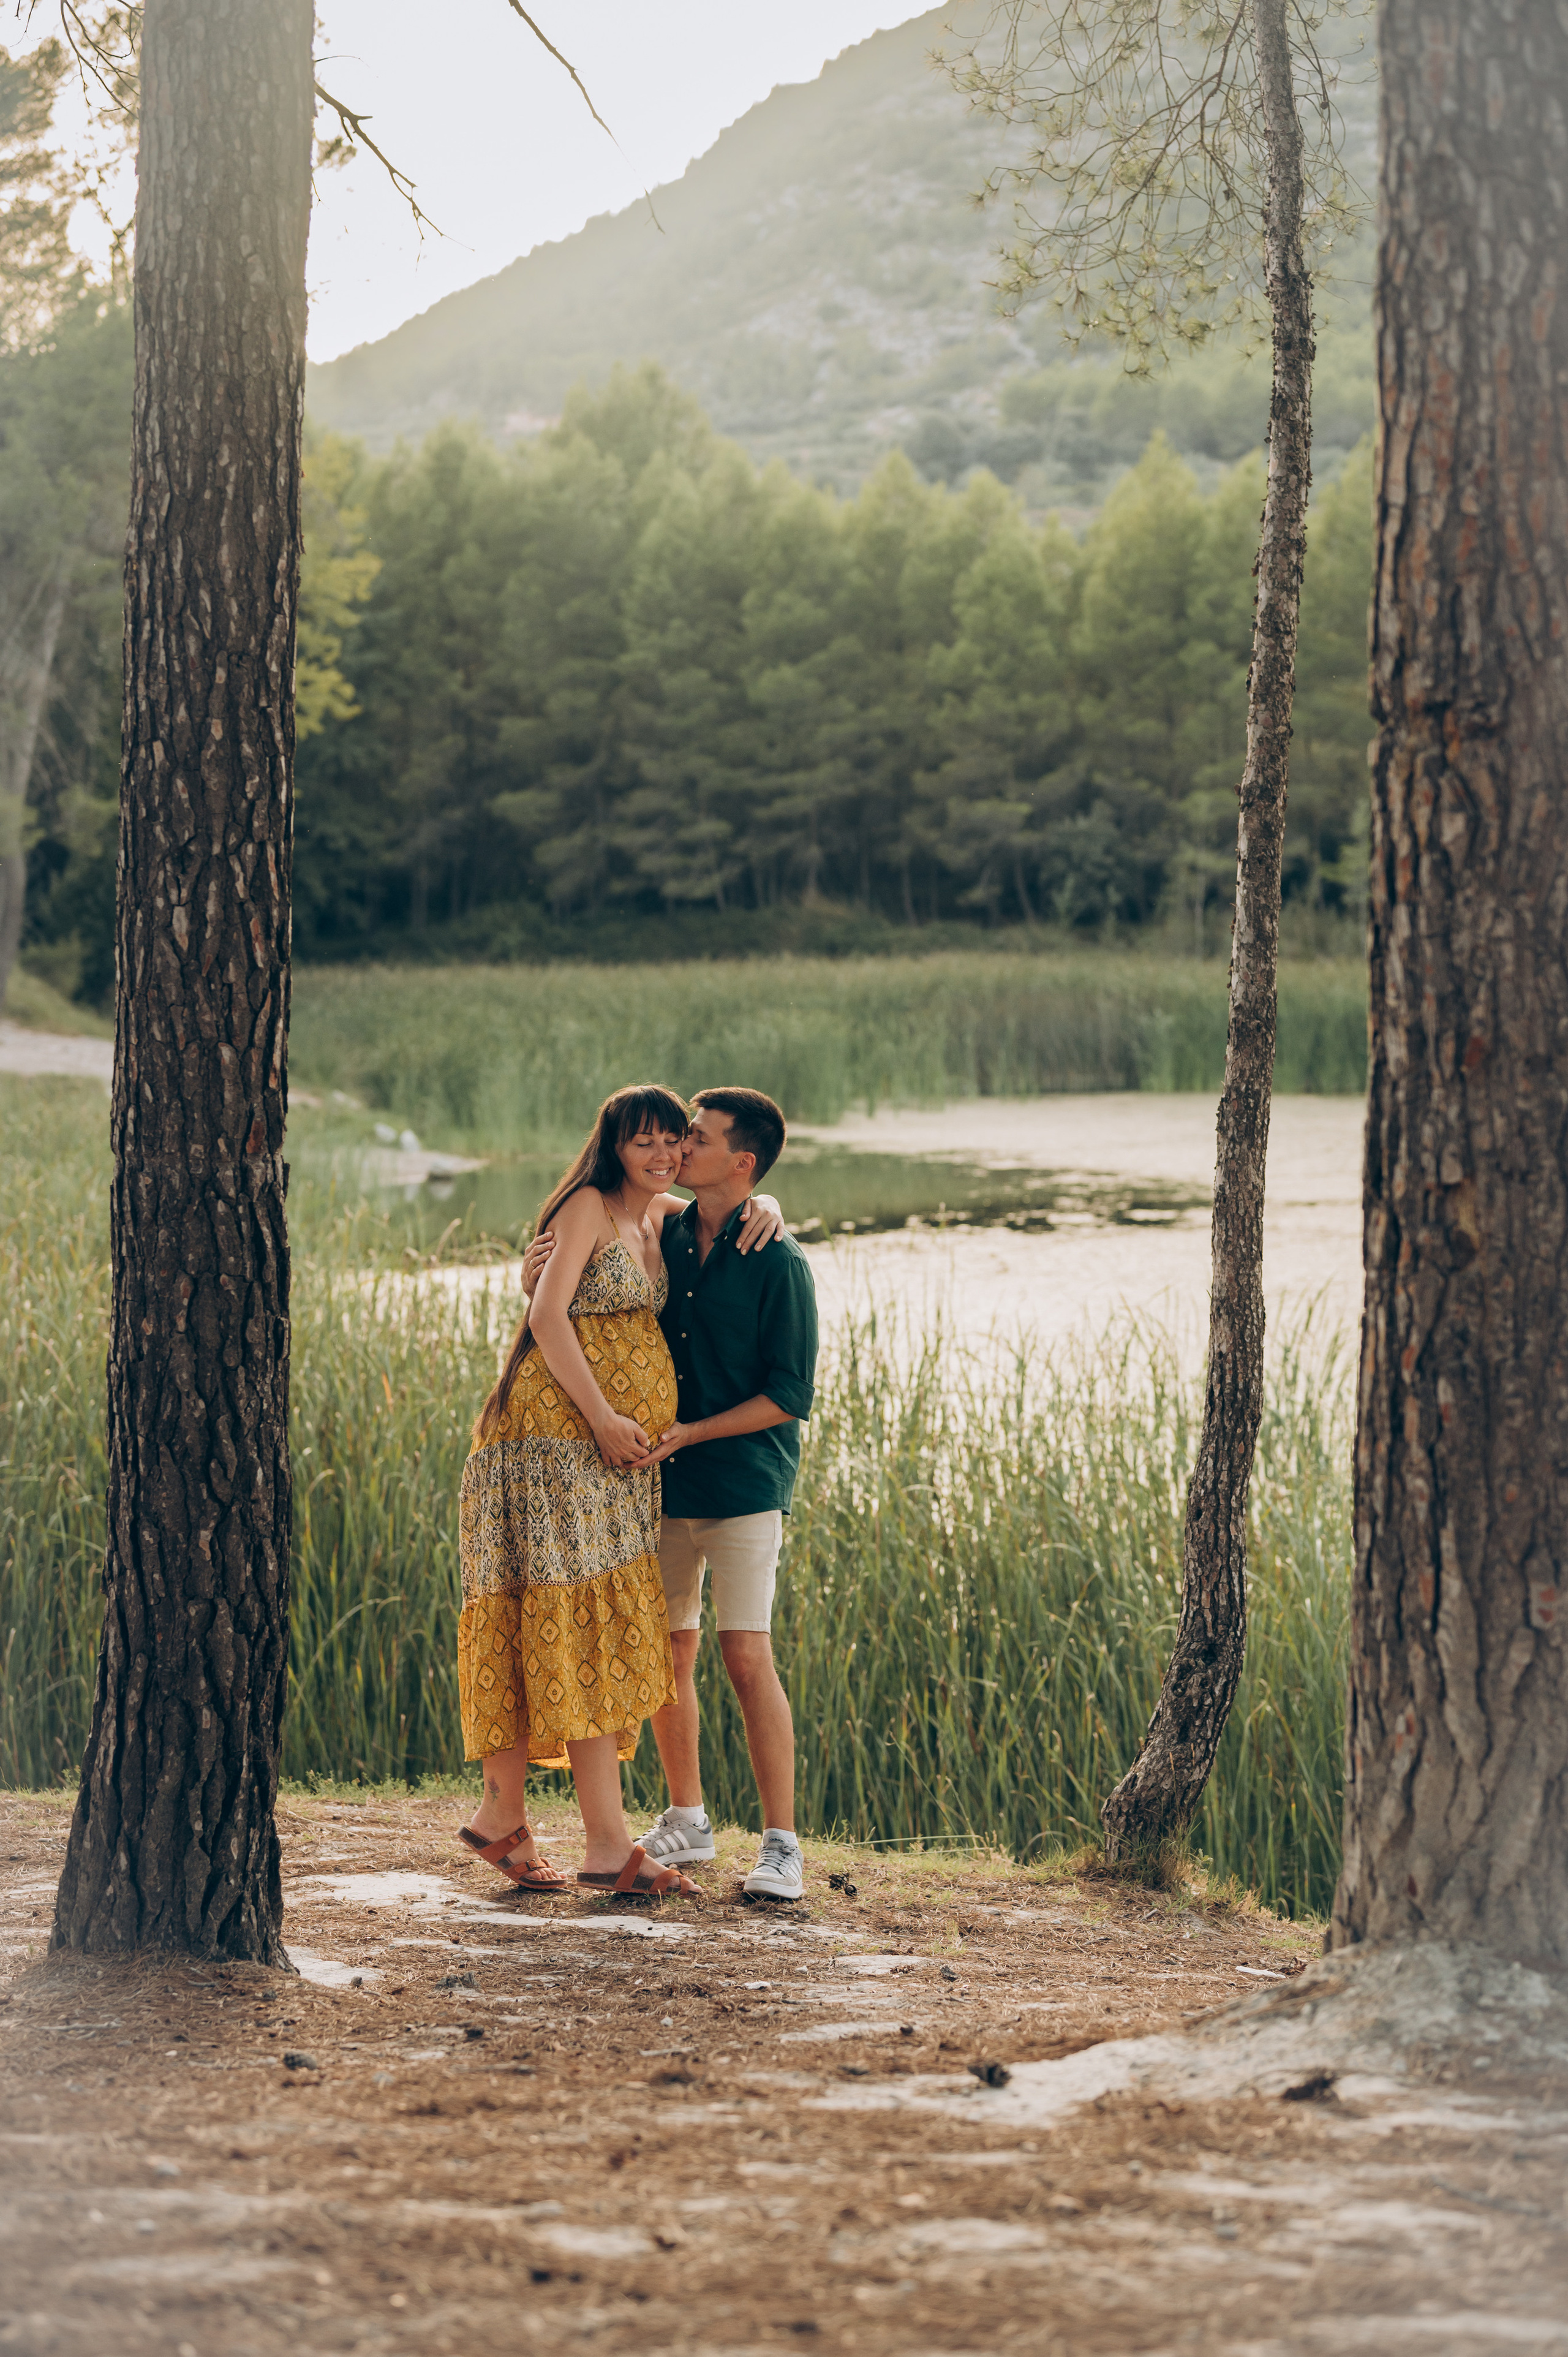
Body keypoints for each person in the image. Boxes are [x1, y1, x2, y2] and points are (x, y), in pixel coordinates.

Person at [458, 1084, 785, 1901]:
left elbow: (729, 1201)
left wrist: (769, 1201)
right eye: (644, 1142)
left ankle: (561, 1830)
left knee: (584, 1624)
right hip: (553, 1442)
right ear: (613, 1146)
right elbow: (548, 1317)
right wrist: (603, 1417)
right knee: (547, 1614)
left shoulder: (660, 1217)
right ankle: (560, 1829)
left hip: (608, 1463)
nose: (663, 1154)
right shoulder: (589, 1208)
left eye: (673, 1140)